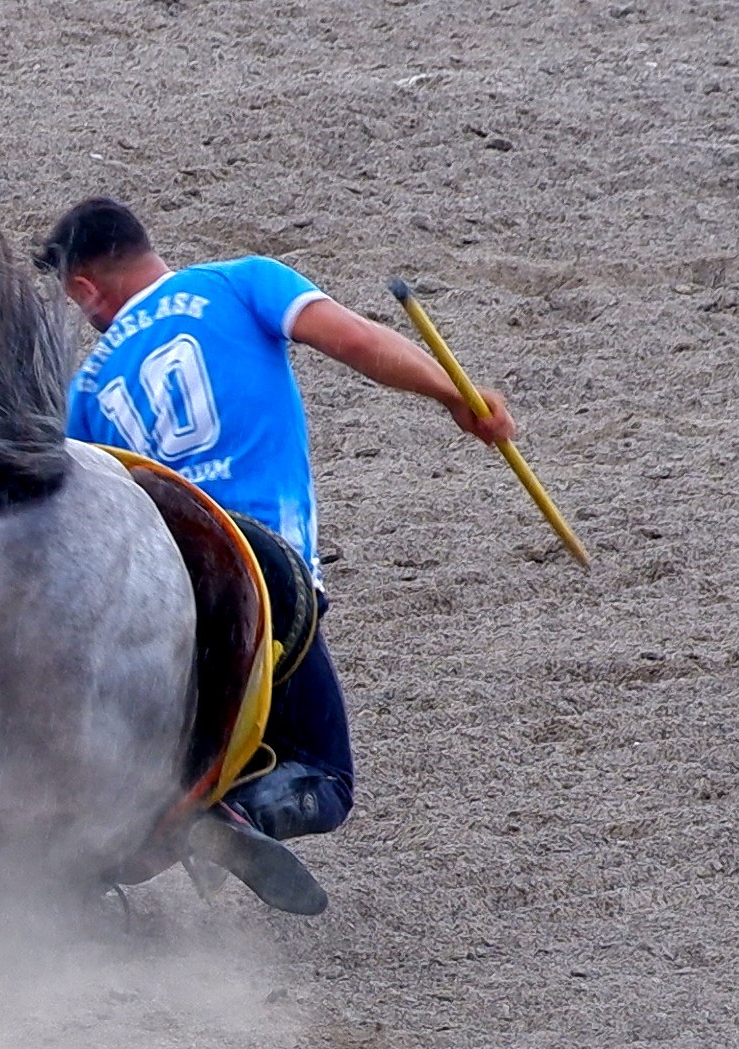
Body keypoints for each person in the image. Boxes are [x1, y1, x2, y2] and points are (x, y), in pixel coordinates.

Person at [35, 197, 517, 844]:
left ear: (86, 286)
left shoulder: (87, 387)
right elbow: (355, 341)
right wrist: (455, 395)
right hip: (257, 566)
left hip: (150, 591)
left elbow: (66, 512)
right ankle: (242, 814)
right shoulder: (241, 281)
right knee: (325, 776)